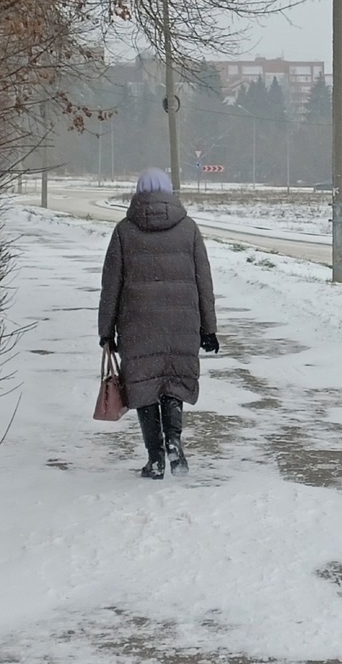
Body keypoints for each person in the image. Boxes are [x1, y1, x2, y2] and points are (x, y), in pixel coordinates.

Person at [98, 168, 220, 479]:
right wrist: (209, 328)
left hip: (137, 324)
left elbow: (111, 284)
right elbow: (203, 280)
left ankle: (155, 459)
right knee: (173, 382)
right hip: (182, 322)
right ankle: (175, 442)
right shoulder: (188, 228)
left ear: (138, 193)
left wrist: (106, 330)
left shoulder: (125, 230)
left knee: (144, 386)